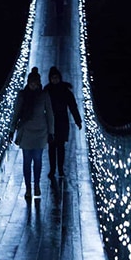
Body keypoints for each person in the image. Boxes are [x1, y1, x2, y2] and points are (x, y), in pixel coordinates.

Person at [11, 67, 55, 199]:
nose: (34, 86)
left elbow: (50, 114)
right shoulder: (22, 95)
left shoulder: (44, 95)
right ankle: (28, 189)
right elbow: (16, 113)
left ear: (39, 83)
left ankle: (36, 185)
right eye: (32, 84)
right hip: (26, 132)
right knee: (27, 161)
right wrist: (12, 130)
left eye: (36, 84)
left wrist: (51, 132)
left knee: (37, 159)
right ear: (28, 83)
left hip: (40, 132)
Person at [44, 66, 82, 178]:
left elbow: (73, 107)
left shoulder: (65, 92)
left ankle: (60, 169)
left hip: (62, 123)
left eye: (56, 77)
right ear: (50, 79)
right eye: (53, 78)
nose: (55, 80)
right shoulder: (46, 92)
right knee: (52, 147)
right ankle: (52, 170)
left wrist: (78, 120)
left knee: (60, 147)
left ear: (59, 78)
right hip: (51, 123)